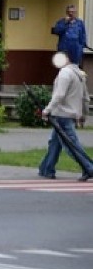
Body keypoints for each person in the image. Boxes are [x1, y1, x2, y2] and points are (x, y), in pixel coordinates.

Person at [38, 52, 93, 182]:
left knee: (71, 146)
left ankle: (89, 168)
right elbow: (85, 98)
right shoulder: (79, 74)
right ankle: (46, 169)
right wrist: (83, 114)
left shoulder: (64, 74)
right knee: (55, 143)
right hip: (71, 114)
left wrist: (47, 110)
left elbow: (59, 95)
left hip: (61, 114)